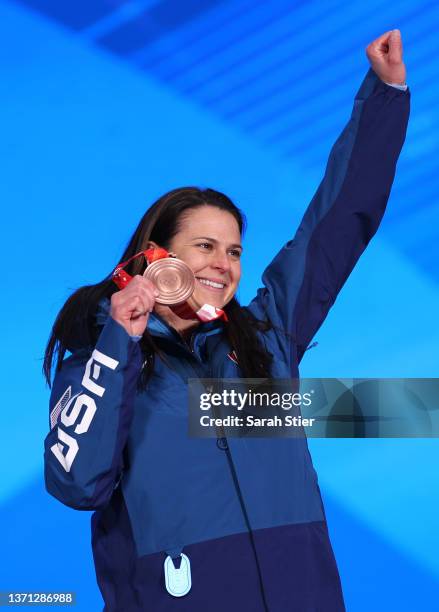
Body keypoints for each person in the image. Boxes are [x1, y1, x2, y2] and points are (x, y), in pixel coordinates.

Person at [43, 30, 410, 612]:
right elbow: (76, 484)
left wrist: (386, 95)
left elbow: (337, 221)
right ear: (155, 254)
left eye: (234, 251)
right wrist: (119, 341)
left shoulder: (267, 337)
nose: (223, 264)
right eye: (205, 246)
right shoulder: (98, 358)